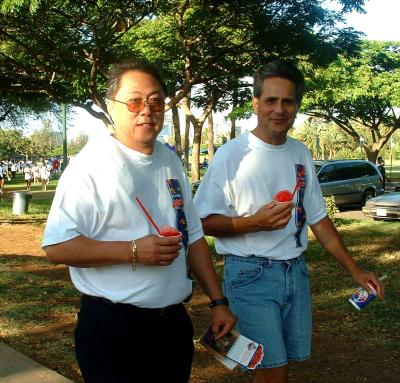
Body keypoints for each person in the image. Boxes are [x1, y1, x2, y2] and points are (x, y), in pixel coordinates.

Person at [42, 59, 235, 383]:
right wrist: (133, 250)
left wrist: (218, 302)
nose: (147, 109)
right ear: (110, 106)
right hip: (114, 330)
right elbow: (58, 247)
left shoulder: (169, 159)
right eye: (134, 101)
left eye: (156, 100)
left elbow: (196, 238)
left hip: (171, 325)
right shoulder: (91, 165)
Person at [193, 59, 384, 383]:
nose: (279, 109)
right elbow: (201, 223)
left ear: (296, 106)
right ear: (256, 103)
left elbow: (319, 221)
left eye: (288, 101)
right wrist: (250, 223)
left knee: (275, 368)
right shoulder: (231, 155)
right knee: (272, 372)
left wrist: (356, 270)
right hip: (250, 275)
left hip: (295, 273)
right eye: (271, 100)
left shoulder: (300, 153)